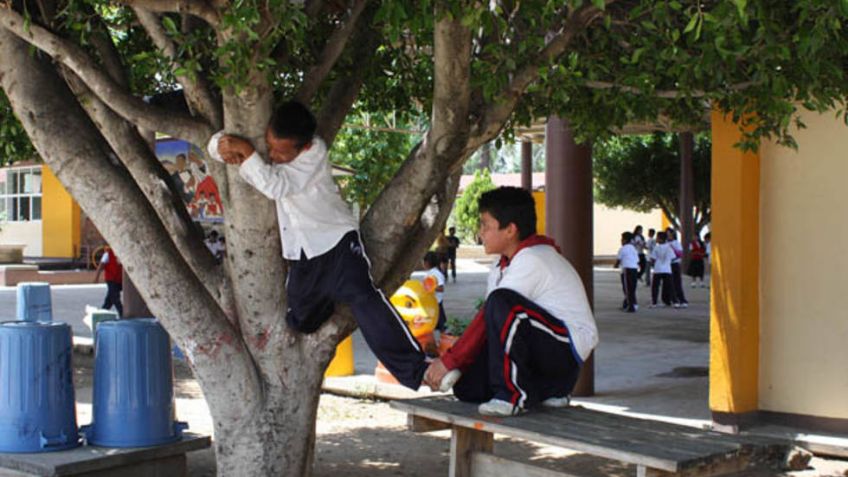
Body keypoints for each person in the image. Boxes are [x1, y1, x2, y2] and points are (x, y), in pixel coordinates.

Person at [208, 100, 430, 390]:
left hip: (336, 241)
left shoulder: (316, 152)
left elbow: (276, 186)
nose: (272, 155)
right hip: (303, 254)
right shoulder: (271, 138)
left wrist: (248, 152)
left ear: (304, 148)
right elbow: (224, 142)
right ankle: (329, 294)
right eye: (269, 147)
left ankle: (416, 368)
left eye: (281, 152)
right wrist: (219, 146)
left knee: (365, 298)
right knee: (301, 321)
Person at [423, 187, 598, 417]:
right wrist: (456, 365)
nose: (480, 232)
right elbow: (489, 325)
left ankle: (513, 396)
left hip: (563, 355)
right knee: (468, 388)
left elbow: (495, 312)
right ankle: (542, 391)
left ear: (510, 230)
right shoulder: (500, 265)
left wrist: (449, 361)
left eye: (486, 225)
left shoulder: (534, 259)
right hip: (539, 352)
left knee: (500, 302)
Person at [93, 245, 123, 317]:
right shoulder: (107, 254)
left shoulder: (122, 254)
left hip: (119, 279)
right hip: (111, 279)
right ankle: (122, 312)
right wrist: (96, 278)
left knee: (109, 299)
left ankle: (102, 313)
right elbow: (101, 266)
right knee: (115, 297)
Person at [422, 251, 447, 333]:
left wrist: (430, 287)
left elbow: (441, 288)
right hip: (431, 303)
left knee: (442, 325)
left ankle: (446, 340)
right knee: (433, 324)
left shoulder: (435, 273)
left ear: (427, 263)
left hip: (436, 303)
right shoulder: (430, 273)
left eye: (424, 262)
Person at [614, 231, 639, 313]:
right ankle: (633, 303)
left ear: (625, 240)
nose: (621, 241)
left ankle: (630, 306)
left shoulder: (622, 249)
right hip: (634, 269)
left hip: (627, 269)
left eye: (622, 239)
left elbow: (618, 260)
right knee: (632, 288)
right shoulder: (633, 248)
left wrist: (616, 265)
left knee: (627, 289)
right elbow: (637, 259)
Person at [649, 231, 674, 307]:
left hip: (658, 269)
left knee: (655, 286)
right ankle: (667, 301)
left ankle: (654, 301)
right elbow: (673, 257)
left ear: (660, 239)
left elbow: (653, 258)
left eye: (657, 238)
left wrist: (653, 265)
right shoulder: (669, 247)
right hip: (667, 269)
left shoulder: (657, 247)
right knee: (667, 286)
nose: (656, 239)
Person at [666, 228, 689, 308]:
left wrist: (673, 256)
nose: (668, 235)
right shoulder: (665, 243)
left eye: (670, 234)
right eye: (667, 234)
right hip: (668, 265)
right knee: (670, 283)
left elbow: (680, 253)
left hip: (675, 264)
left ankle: (681, 299)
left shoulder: (676, 243)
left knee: (677, 282)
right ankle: (673, 299)